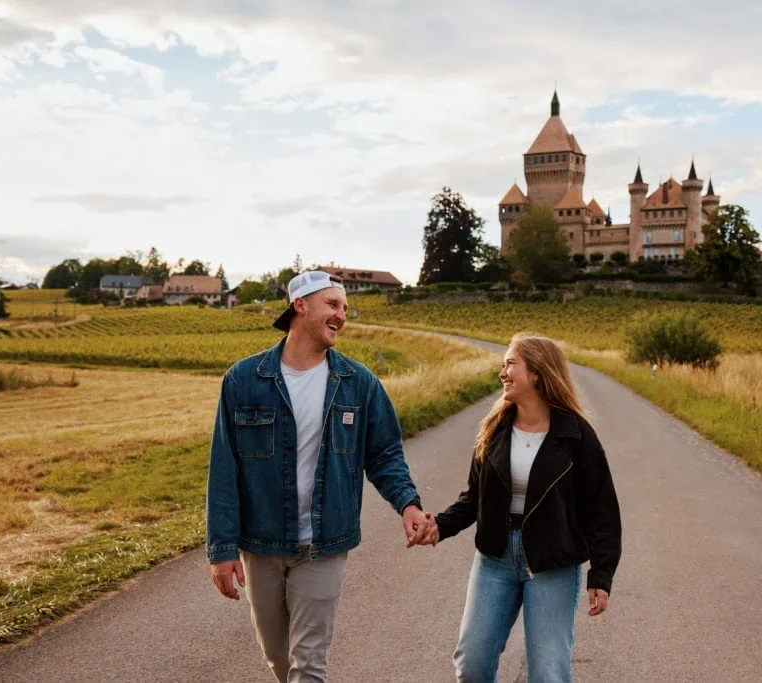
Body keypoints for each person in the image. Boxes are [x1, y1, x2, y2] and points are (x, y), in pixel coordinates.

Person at [206, 270, 432, 683]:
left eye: (345, 308)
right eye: (333, 305)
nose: (342, 315)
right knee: (279, 658)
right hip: (262, 542)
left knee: (308, 663)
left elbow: (384, 454)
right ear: (300, 305)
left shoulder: (358, 383)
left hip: (325, 544)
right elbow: (225, 467)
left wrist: (409, 504)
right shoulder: (243, 380)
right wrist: (221, 549)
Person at [417, 334, 622, 682]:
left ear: (538, 373)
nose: (503, 372)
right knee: (472, 666)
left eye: (511, 363)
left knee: (547, 674)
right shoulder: (495, 429)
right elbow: (474, 497)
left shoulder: (576, 436)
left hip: (552, 563)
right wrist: (439, 525)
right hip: (495, 559)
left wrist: (601, 575)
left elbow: (602, 511)